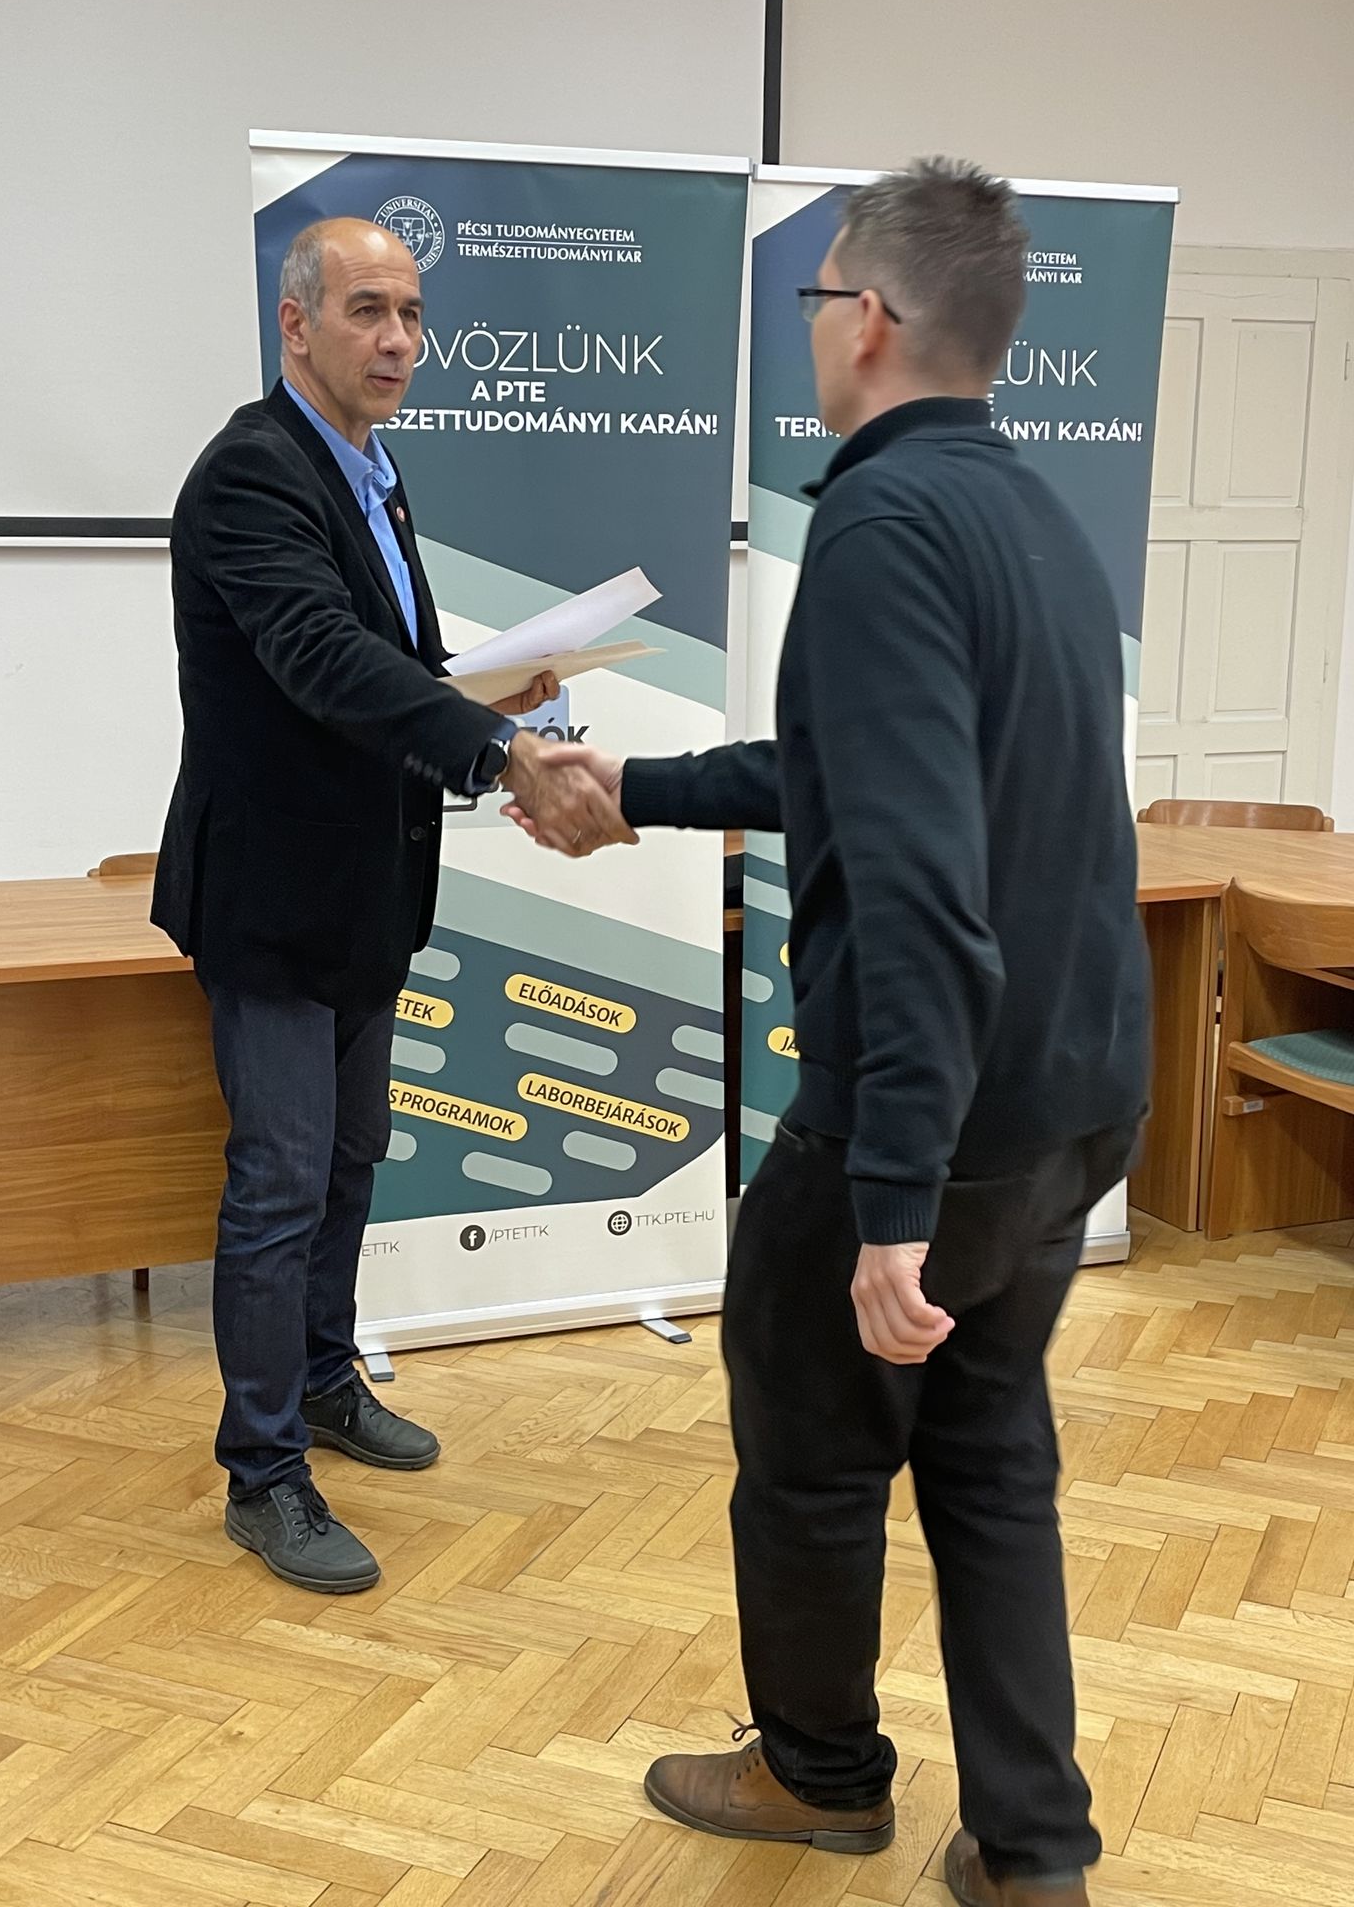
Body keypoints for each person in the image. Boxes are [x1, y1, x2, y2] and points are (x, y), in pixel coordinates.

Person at [504, 160, 1148, 1907]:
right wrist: (638, 789)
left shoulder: (878, 525)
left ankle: (815, 1776)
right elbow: (865, 771)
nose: (810, 328)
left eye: (815, 299)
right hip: (1072, 1098)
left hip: (931, 1116)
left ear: (863, 318)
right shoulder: (1030, 515)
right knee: (992, 1462)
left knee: (808, 1446)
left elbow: (924, 883)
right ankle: (1033, 1850)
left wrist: (891, 1197)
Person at [153, 217, 631, 1596]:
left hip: (368, 888)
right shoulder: (253, 471)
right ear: (296, 324)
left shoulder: (371, 469)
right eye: (369, 309)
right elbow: (315, 658)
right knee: (280, 1183)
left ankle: (322, 1383)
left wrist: (492, 686)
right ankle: (263, 1475)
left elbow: (388, 661)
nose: (401, 340)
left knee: (352, 1160)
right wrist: (497, 753)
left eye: (414, 314)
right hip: (272, 898)